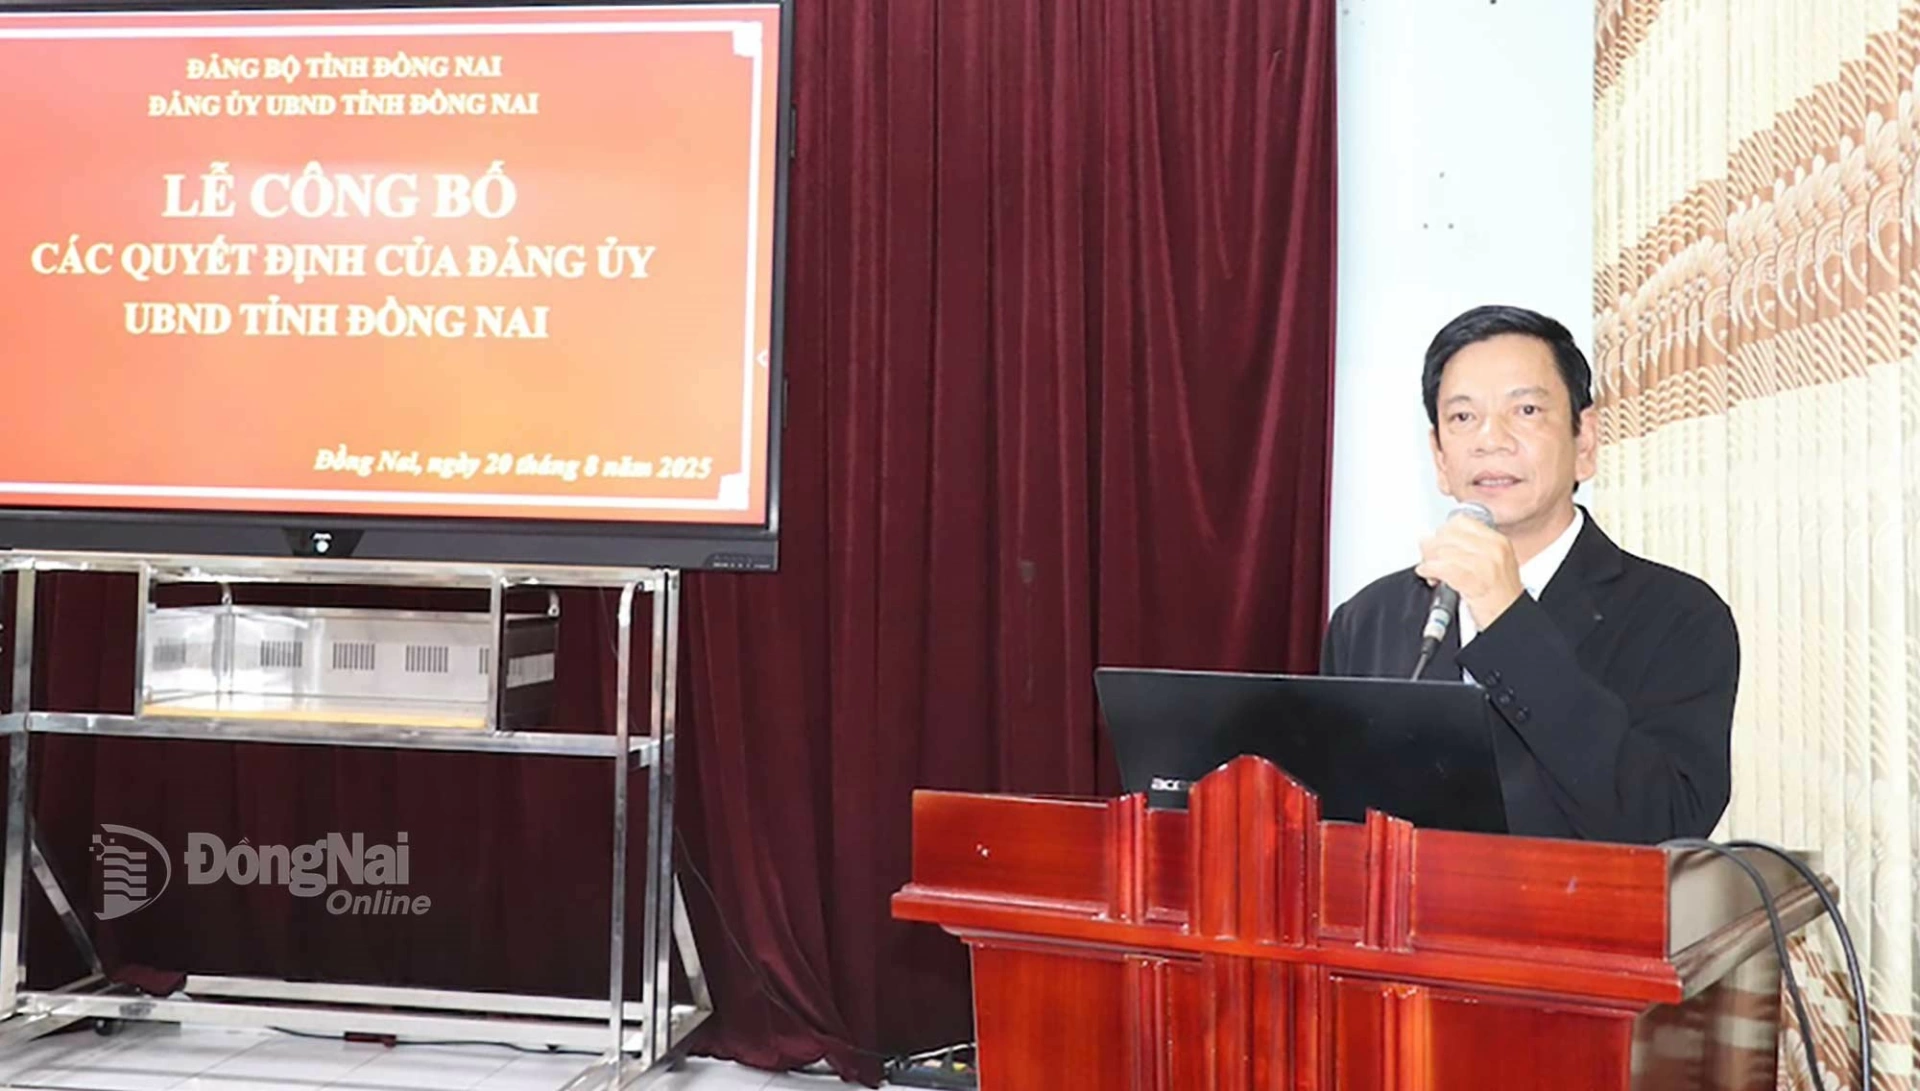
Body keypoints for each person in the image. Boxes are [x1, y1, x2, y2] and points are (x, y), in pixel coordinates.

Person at [1319, 304, 1738, 845]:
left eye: (1526, 411)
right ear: (1440, 457)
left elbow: (1665, 823)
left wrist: (1507, 617)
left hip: (1580, 925)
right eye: (1463, 418)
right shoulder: (1368, 619)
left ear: (1584, 441)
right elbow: (1338, 820)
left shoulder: (1678, 616)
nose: (1490, 440)